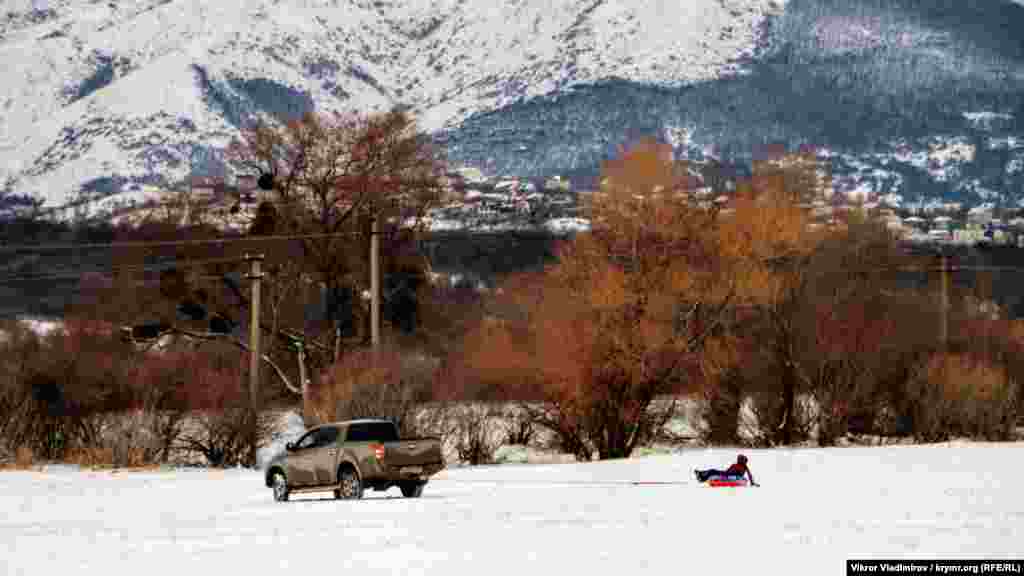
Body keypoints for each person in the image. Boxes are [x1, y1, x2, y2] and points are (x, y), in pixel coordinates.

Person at [694, 454, 759, 486]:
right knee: (712, 471)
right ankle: (701, 475)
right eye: (738, 459)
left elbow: (749, 475)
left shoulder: (743, 466)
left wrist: (752, 483)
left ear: (742, 460)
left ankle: (702, 478)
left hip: (729, 475)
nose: (738, 460)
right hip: (727, 473)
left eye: (739, 459)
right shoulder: (736, 464)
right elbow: (730, 469)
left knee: (712, 471)